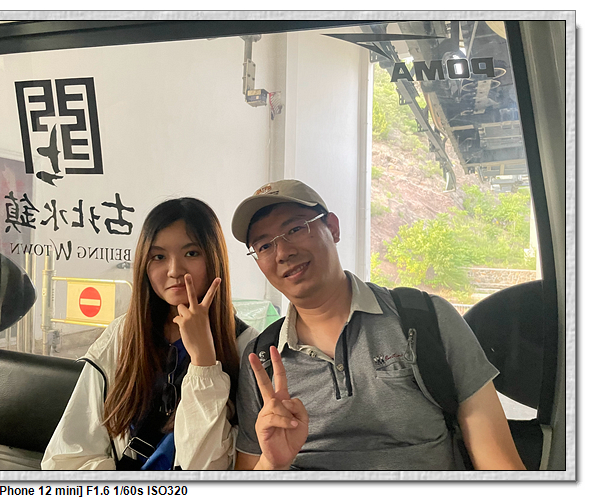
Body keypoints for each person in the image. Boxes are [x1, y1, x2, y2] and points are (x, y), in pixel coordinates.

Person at [177, 179, 527, 471]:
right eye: (264, 246)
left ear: (332, 227)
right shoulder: (262, 359)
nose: (282, 253)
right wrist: (273, 463)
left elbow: (499, 463)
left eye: (295, 229)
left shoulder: (425, 318)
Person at [41, 197, 258, 470]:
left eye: (192, 253)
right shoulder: (123, 335)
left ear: (214, 258)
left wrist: (204, 363)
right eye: (159, 257)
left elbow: (204, 468)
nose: (174, 270)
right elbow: (68, 454)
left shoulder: (248, 348)